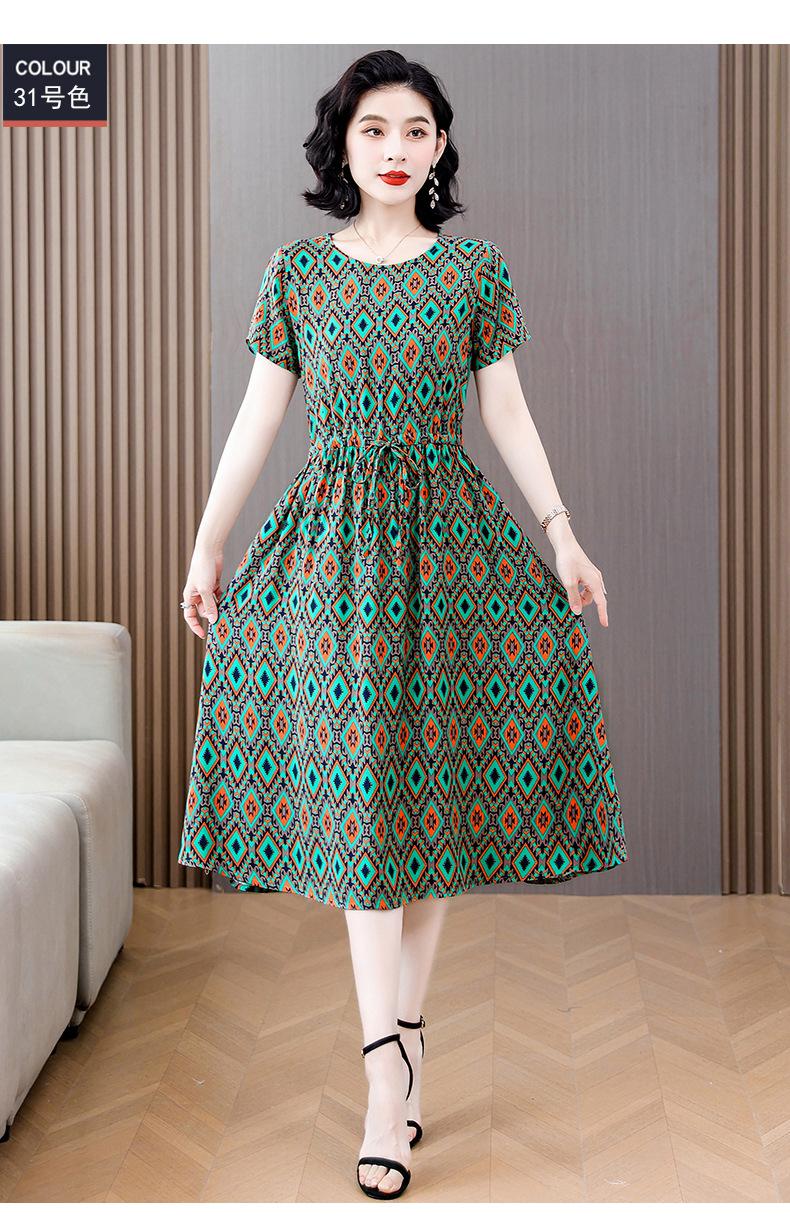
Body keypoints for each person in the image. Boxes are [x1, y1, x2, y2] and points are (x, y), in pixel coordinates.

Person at [177, 48, 628, 1200]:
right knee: (367, 813)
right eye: (373, 128)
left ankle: (403, 1042)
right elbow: (255, 421)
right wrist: (209, 542)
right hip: (334, 557)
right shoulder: (297, 274)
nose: (394, 148)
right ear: (344, 143)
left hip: (452, 551)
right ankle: (389, 1078)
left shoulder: (474, 270)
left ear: (439, 147)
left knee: (424, 814)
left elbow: (507, 413)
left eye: (415, 130)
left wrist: (563, 534)